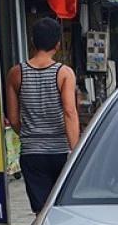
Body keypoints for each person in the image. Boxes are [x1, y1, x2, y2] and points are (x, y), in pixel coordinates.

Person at [5, 18, 80, 213]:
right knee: (63, 209)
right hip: (60, 152)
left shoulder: (15, 73)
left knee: (41, 212)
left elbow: (13, 118)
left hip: (31, 153)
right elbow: (69, 112)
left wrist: (31, 135)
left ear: (32, 41)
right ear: (57, 43)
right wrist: (76, 150)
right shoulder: (64, 73)